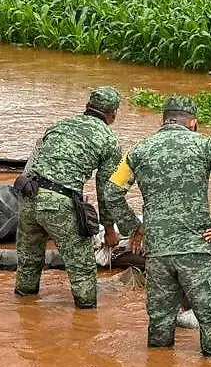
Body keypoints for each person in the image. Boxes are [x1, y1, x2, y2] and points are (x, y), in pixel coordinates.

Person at [107, 96, 211, 358]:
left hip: (157, 252)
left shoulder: (139, 149)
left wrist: (135, 227)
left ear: (164, 120)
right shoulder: (204, 144)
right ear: (193, 122)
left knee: (160, 319)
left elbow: (112, 190)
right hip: (198, 247)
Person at [11, 86, 130, 307]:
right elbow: (106, 191)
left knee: (28, 262)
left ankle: (24, 308)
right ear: (113, 113)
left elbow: (31, 165)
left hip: (28, 195)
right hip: (59, 202)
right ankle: (86, 323)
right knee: (82, 268)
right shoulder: (109, 140)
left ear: (87, 107)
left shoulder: (58, 126)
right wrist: (110, 231)